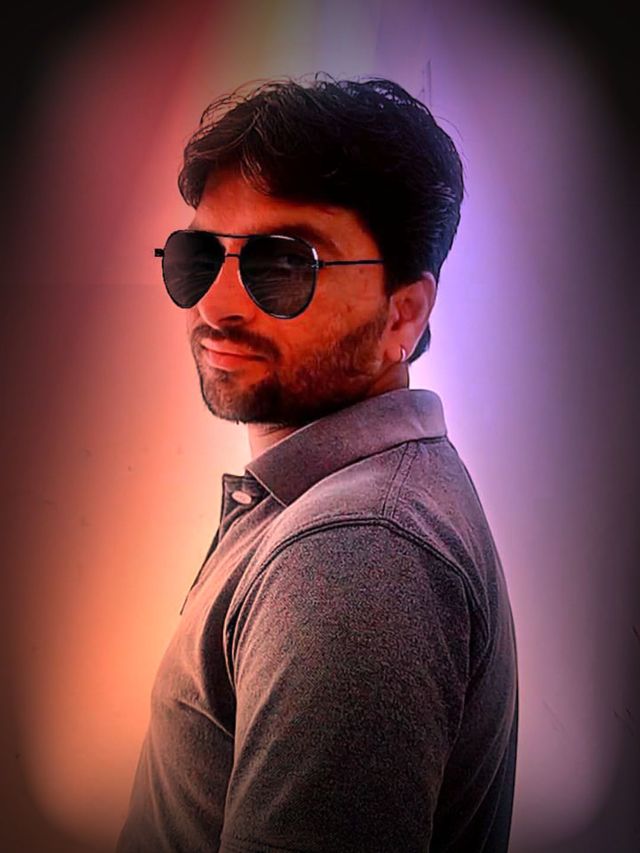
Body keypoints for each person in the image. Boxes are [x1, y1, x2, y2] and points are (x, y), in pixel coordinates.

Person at [117, 75, 518, 853]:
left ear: (404, 312)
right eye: (198, 257)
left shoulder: (356, 555)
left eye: (283, 264)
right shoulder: (342, 505)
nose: (215, 305)